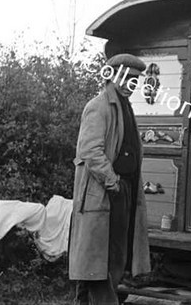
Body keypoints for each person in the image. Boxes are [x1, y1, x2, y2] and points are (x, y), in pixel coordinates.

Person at [69, 53, 151, 305]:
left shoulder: (126, 107)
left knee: (110, 255)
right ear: (112, 76)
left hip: (122, 189)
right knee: (100, 258)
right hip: (103, 191)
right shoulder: (99, 106)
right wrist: (112, 181)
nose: (131, 84)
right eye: (127, 78)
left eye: (136, 80)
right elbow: (90, 152)